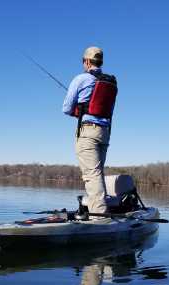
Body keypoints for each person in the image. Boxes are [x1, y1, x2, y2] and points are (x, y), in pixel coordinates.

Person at [62, 47, 118, 215]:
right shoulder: (111, 83)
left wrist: (78, 111)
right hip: (105, 133)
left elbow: (66, 108)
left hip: (88, 133)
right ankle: (100, 210)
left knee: (91, 176)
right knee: (97, 174)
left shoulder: (81, 79)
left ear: (86, 61)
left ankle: (100, 216)